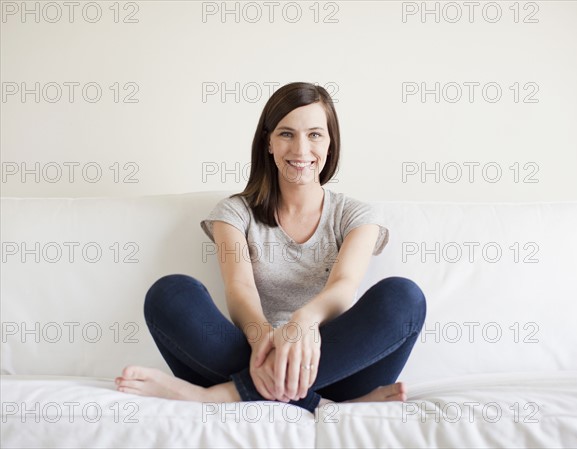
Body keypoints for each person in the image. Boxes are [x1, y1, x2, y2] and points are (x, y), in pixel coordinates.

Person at [115, 82, 427, 414]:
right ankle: (326, 405)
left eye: (315, 135)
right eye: (286, 134)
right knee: (170, 292)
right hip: (252, 353)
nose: (301, 149)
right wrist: (265, 340)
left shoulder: (358, 215)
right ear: (268, 142)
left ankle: (215, 396)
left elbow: (344, 285)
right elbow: (239, 289)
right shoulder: (234, 213)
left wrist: (304, 321)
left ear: (331, 142)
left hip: (333, 362)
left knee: (405, 297)